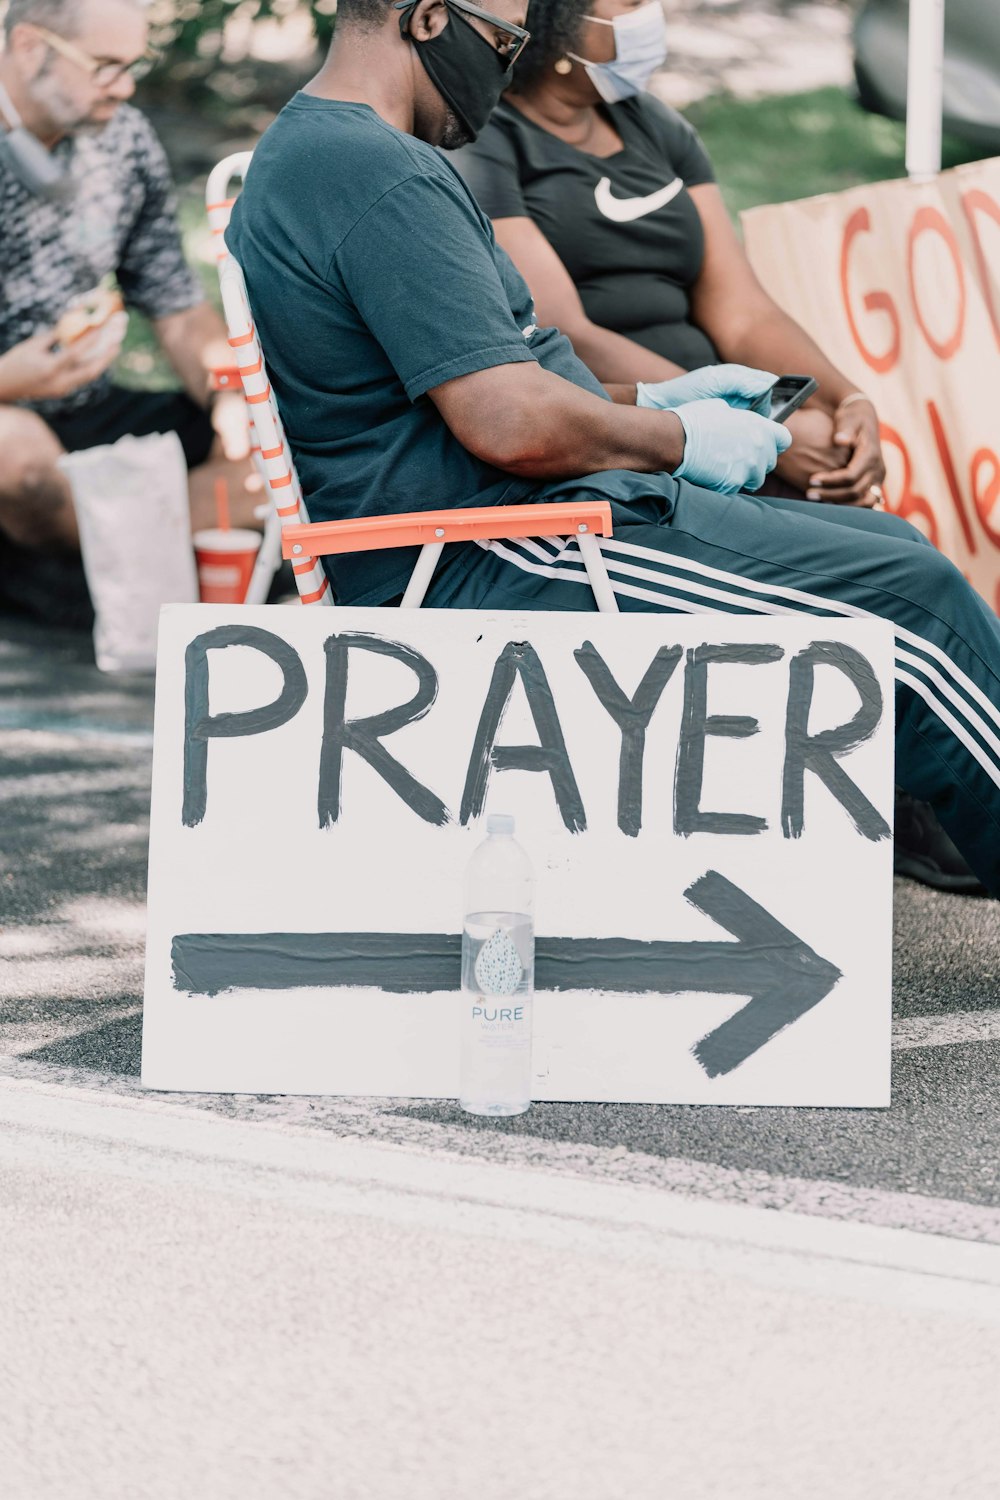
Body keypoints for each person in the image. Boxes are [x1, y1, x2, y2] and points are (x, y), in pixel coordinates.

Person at [226, 0, 1000, 898]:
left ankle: (936, 817)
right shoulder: (374, 170)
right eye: (506, 41)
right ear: (430, 17)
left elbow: (488, 382)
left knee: (896, 549)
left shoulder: (334, 151)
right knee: (919, 606)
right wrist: (679, 437)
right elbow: (509, 421)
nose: (508, 68)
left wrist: (664, 395)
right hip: (486, 553)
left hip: (511, 524)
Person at [450, 0, 886, 509]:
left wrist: (846, 400)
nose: (652, 16)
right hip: (645, 436)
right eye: (632, 4)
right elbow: (565, 331)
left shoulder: (653, 123)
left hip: (738, 414)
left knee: (890, 542)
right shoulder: (485, 140)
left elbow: (743, 311)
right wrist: (751, 424)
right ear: (556, 24)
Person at [0, 0, 256, 625]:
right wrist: (10, 380)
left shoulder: (124, 137)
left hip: (90, 410)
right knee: (12, 447)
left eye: (133, 64)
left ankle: (91, 565)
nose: (127, 85)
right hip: (13, 425)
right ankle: (140, 564)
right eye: (106, 66)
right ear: (31, 47)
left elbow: (175, 307)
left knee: (276, 438)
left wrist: (228, 394)